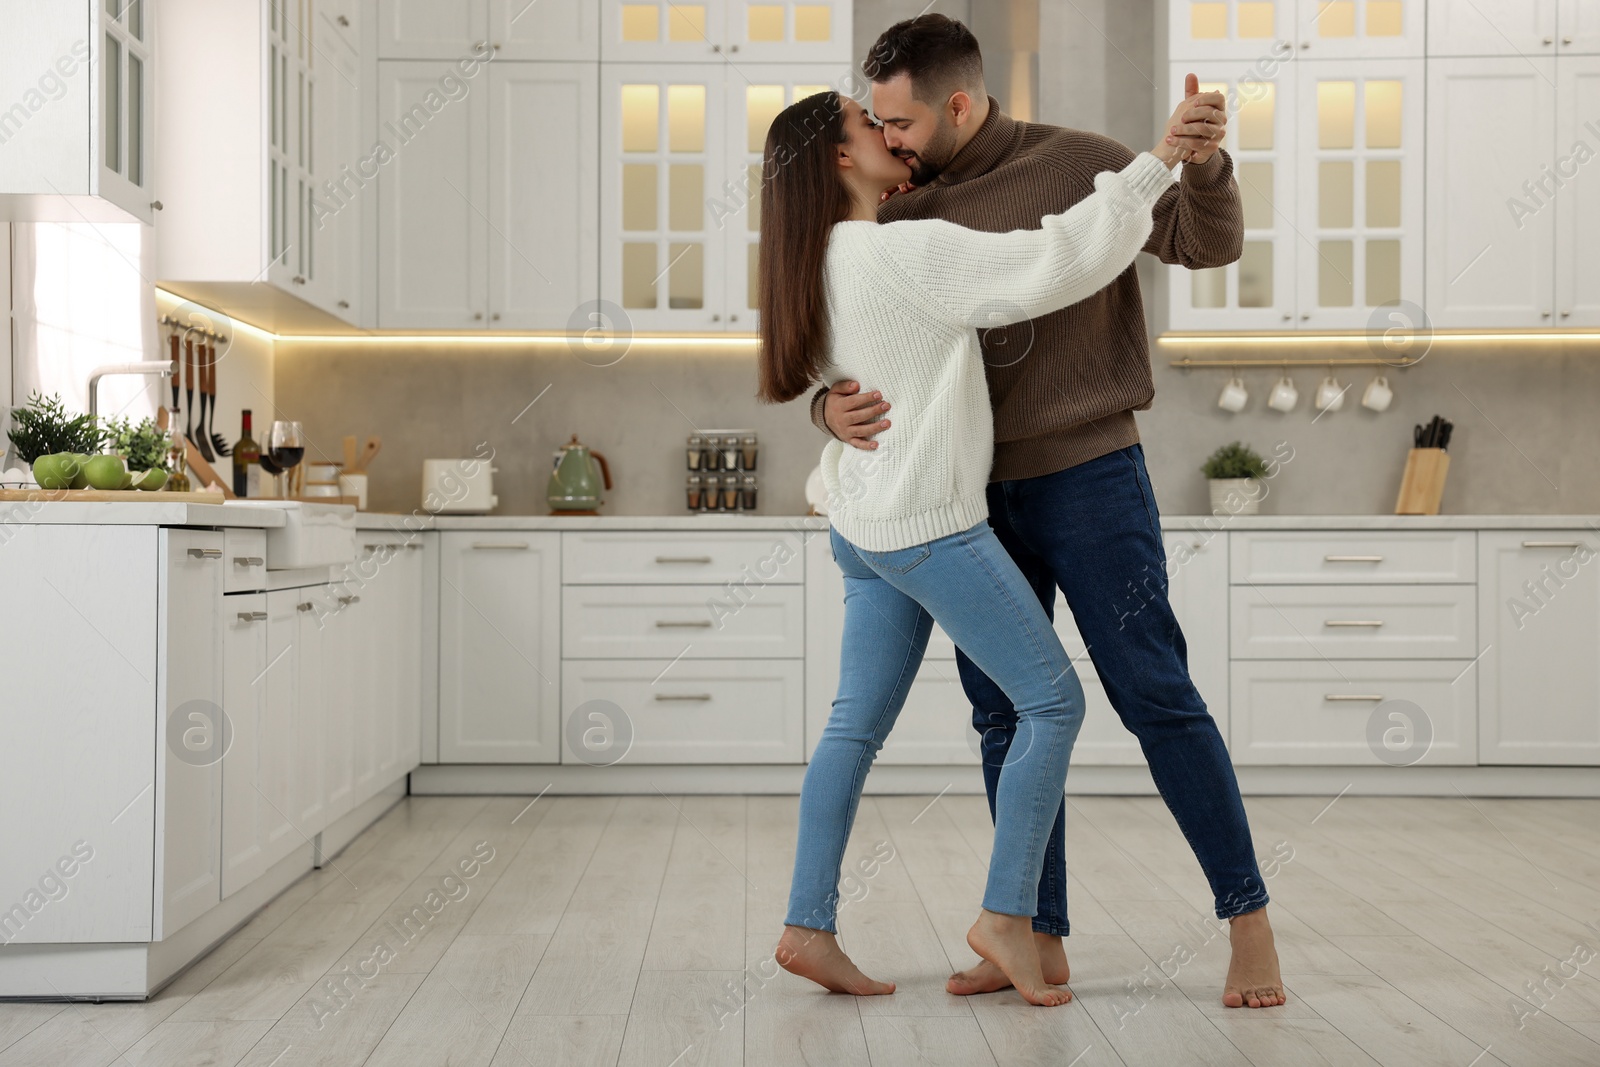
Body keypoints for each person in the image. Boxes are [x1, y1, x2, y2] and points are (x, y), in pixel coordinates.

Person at [808, 14, 1285, 1010]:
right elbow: (851, 333)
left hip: (1091, 473)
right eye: (876, 124)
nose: (887, 139)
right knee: (1005, 712)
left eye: (898, 121)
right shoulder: (894, 210)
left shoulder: (1081, 162)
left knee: (1153, 690)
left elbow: (1203, 243)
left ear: (957, 101)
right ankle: (1036, 932)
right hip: (966, 493)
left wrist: (1198, 162)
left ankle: (1247, 922)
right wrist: (825, 402)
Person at [756, 79, 1195, 1003]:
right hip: (926, 527)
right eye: (865, 125)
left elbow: (844, 378)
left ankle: (808, 923)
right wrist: (1156, 164)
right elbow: (1059, 261)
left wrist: (826, 415)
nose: (885, 133)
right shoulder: (901, 252)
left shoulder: (808, 264)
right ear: (841, 157)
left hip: (860, 526)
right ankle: (1007, 915)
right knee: (1053, 703)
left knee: (852, 725)